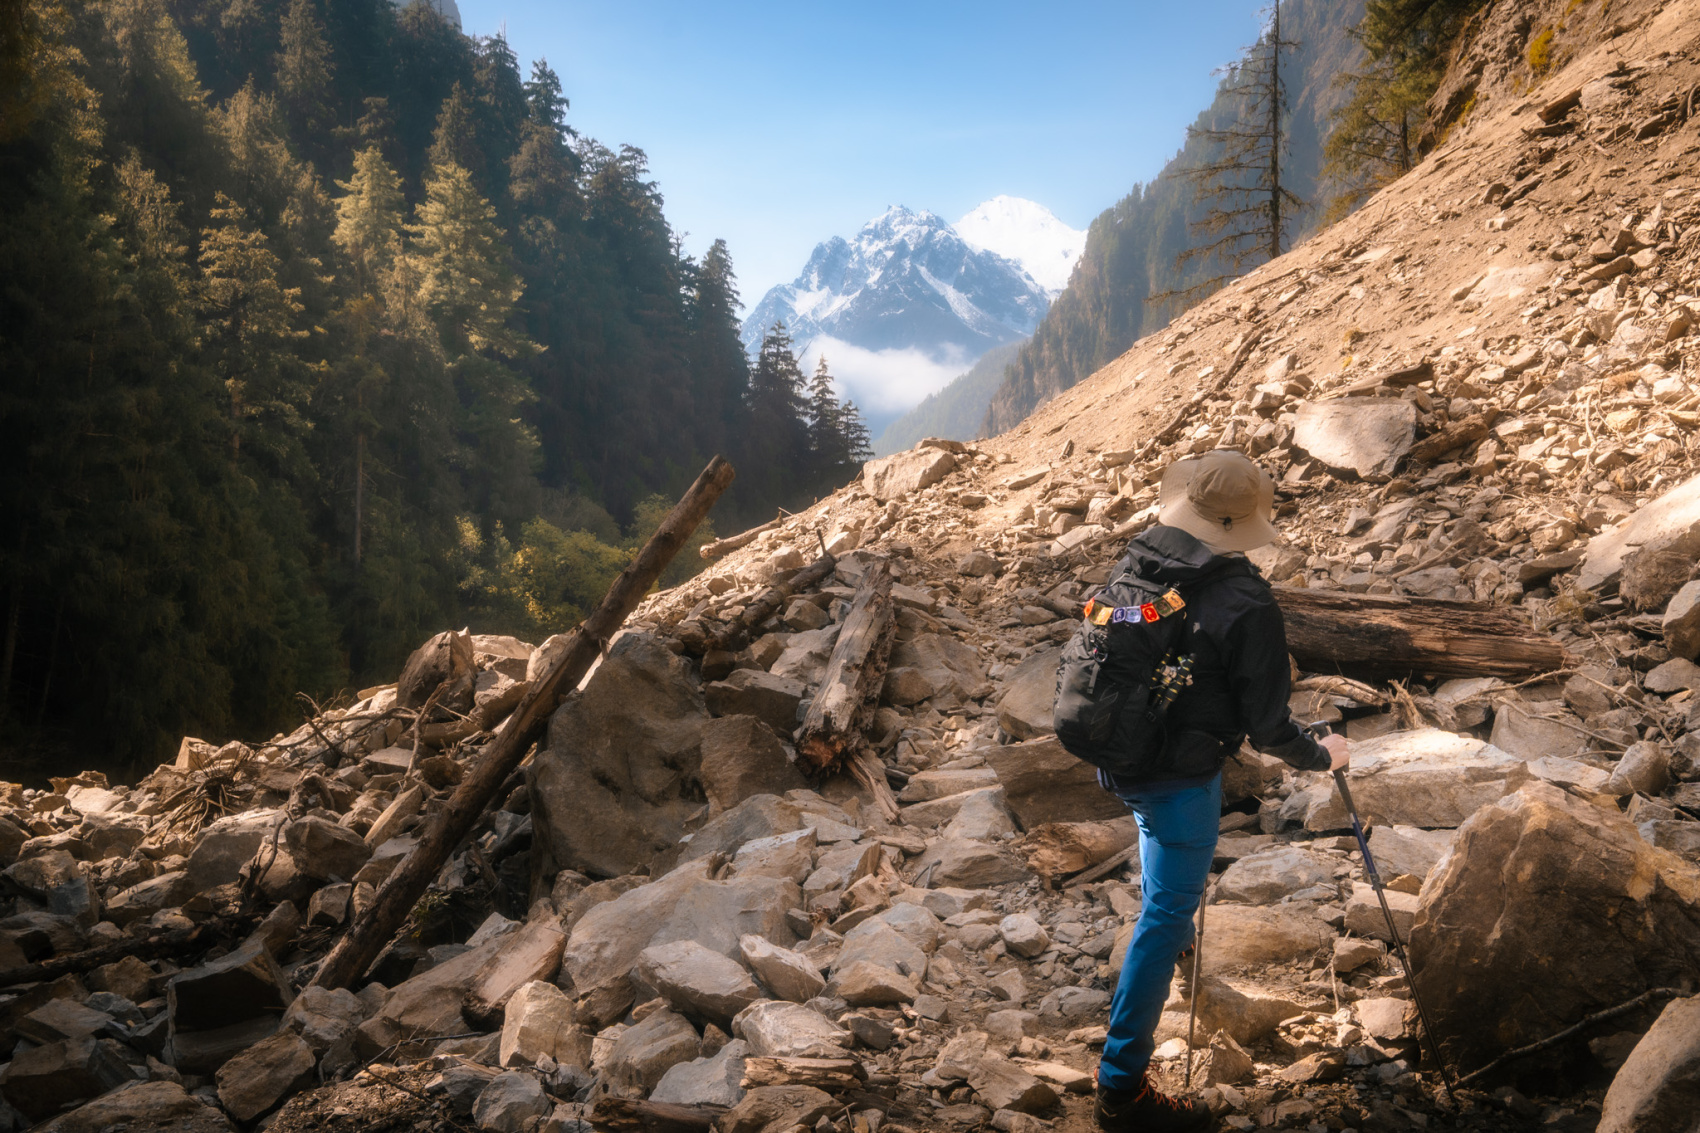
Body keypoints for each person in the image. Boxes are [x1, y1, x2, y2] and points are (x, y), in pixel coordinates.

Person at [1088, 450, 1350, 1133]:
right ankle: (1121, 1089)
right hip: (1178, 777)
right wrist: (1322, 754)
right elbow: (1268, 729)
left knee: (1160, 867)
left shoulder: (1141, 559)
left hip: (1118, 757)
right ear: (1244, 522)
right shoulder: (1245, 600)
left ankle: (1170, 947)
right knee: (1169, 909)